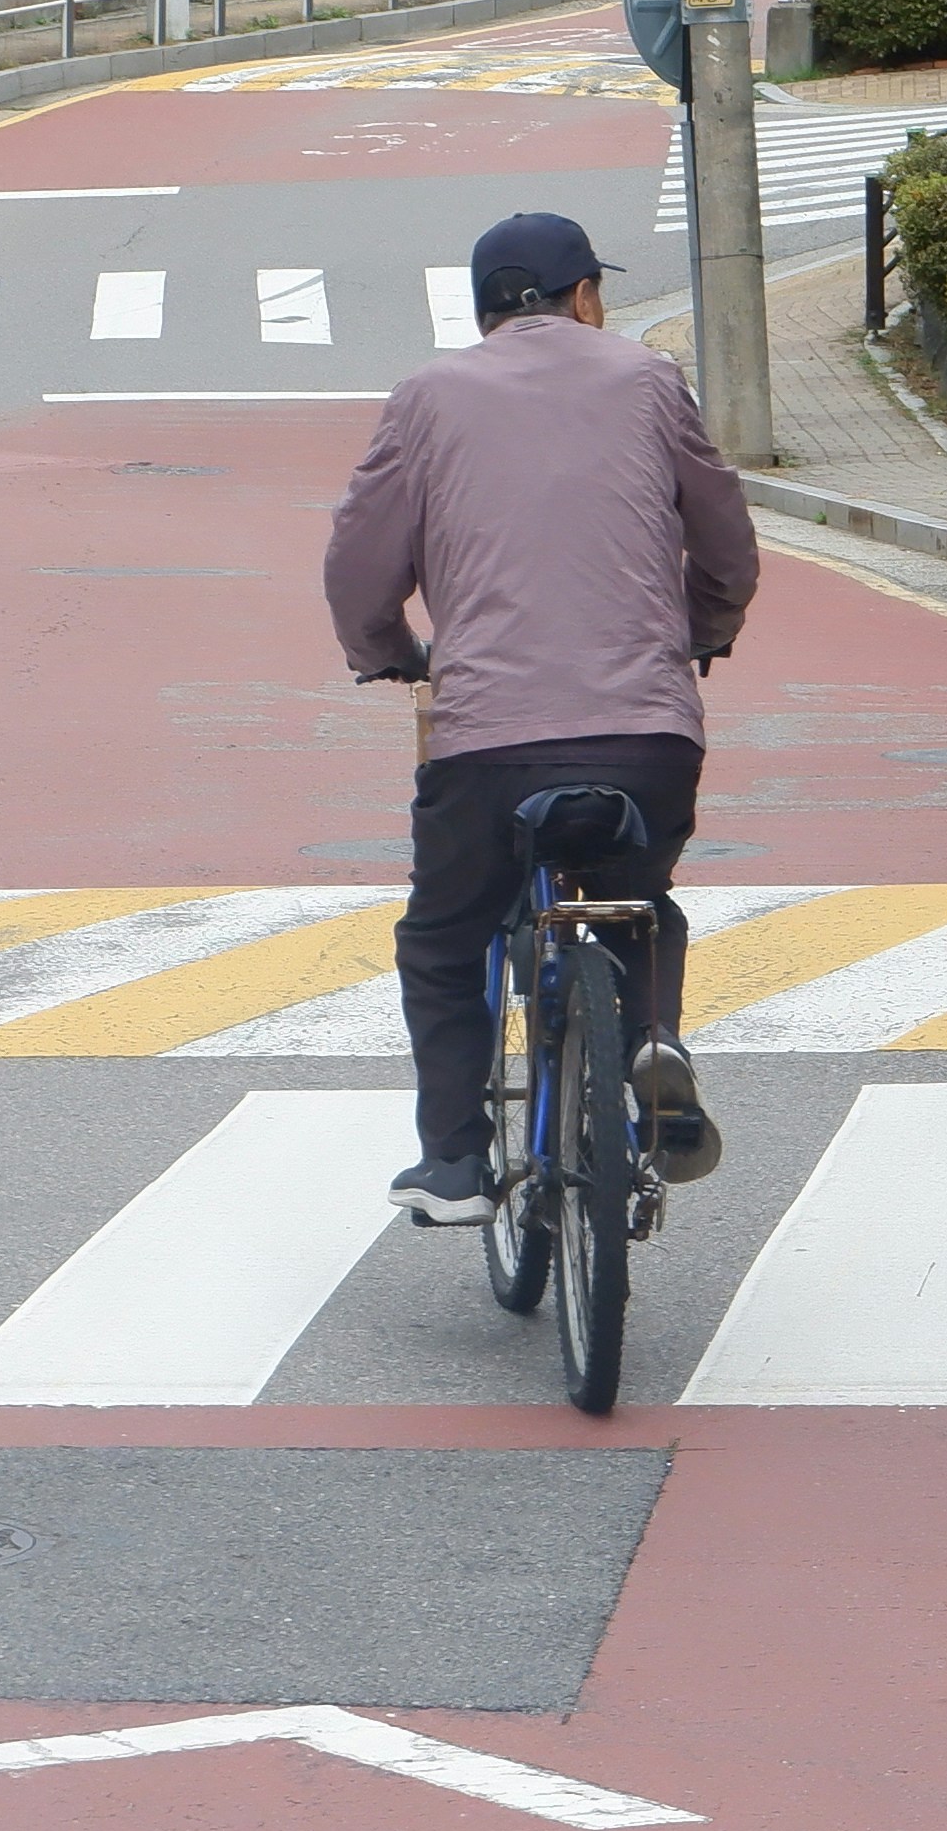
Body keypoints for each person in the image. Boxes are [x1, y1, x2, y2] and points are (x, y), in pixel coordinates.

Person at [321, 209, 761, 1222]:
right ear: (586, 296)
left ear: (482, 310)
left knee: (443, 938)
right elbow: (726, 540)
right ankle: (651, 1042)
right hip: (647, 735)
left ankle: (455, 1164)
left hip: (489, 744)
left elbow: (358, 563)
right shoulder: (651, 380)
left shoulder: (426, 397)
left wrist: (386, 651)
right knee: (639, 900)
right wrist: (703, 630)